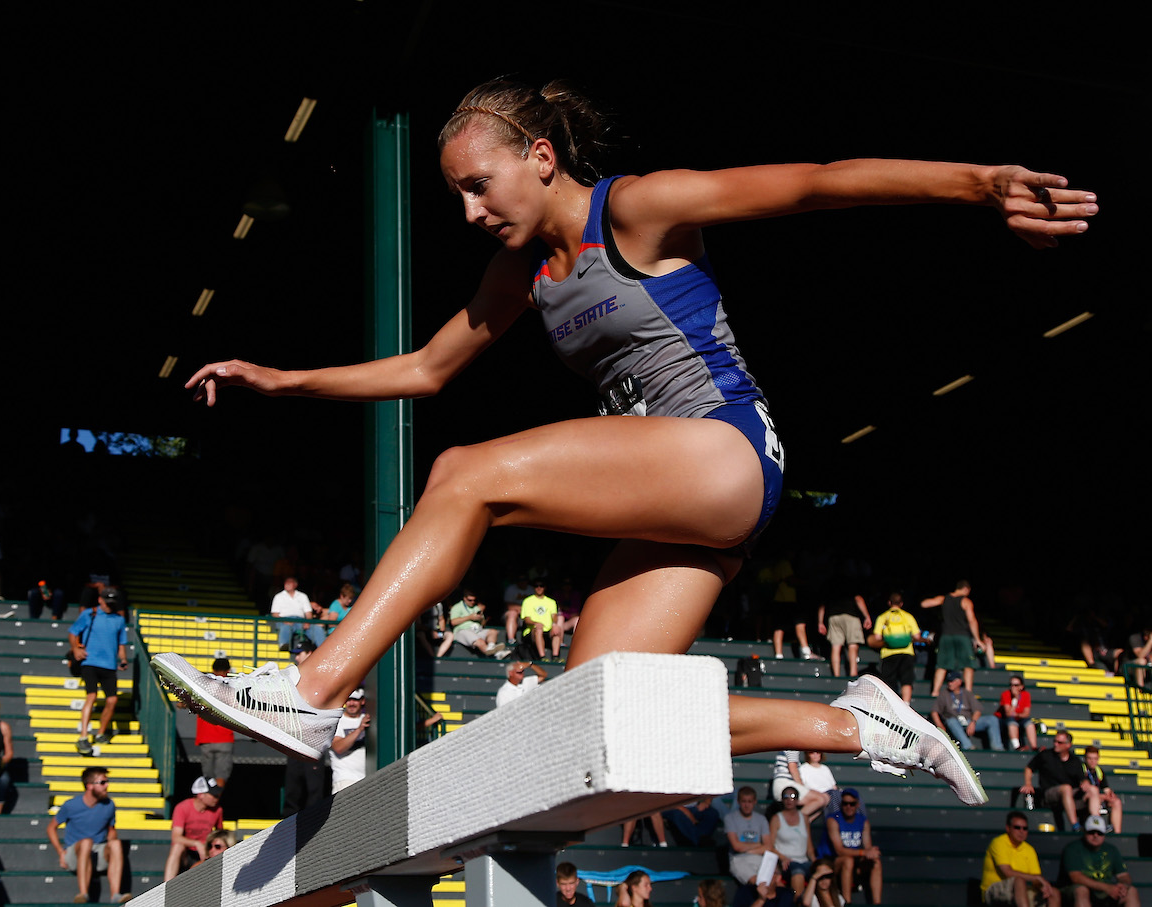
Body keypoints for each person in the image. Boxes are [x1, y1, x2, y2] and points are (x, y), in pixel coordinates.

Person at [154, 77, 1096, 809]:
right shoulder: (520, 269)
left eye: (480, 186)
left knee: (463, 474)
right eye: (458, 197)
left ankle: (315, 693)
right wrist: (282, 379)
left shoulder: (638, 208)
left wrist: (983, 183)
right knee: (592, 714)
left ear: (541, 155)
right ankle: (859, 723)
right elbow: (427, 368)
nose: (471, 213)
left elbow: (815, 185)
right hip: (678, 494)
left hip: (724, 447)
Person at [47, 766, 131, 904]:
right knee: (86, 842)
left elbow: (111, 830)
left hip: (98, 851)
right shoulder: (71, 805)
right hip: (76, 853)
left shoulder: (109, 805)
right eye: (103, 782)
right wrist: (60, 852)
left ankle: (115, 895)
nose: (107, 786)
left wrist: (112, 842)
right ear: (90, 786)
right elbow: (51, 828)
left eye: (107, 781)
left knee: (116, 844)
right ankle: (83, 894)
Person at [69, 586, 130, 757]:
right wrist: (76, 649)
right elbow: (73, 632)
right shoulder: (90, 614)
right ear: (100, 600)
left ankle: (101, 733)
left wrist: (123, 658)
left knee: (112, 699)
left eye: (113, 601)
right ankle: (83, 736)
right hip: (90, 661)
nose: (109, 605)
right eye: (107, 601)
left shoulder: (118, 619)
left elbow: (121, 642)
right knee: (92, 695)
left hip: (109, 665)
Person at [1021, 731, 1101, 832]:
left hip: (1070, 797)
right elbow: (1029, 768)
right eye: (1055, 741)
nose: (1055, 744)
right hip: (1049, 794)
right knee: (1066, 788)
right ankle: (1075, 825)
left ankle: (1096, 823)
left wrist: (1085, 782)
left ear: (1068, 745)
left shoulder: (1075, 760)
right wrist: (1028, 784)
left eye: (1059, 742)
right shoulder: (1046, 755)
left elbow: (1082, 779)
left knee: (1093, 789)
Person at [282, 639, 327, 815]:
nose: (296, 658)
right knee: (293, 785)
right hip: (295, 736)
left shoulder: (321, 673)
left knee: (314, 787)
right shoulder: (293, 674)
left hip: (314, 736)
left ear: (309, 653)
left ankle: (314, 824)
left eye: (299, 654)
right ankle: (287, 826)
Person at [981, 810, 1061, 907]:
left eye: (1025, 828)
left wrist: (1042, 886)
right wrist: (1036, 878)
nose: (1021, 831)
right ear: (1008, 828)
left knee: (1054, 892)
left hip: (1021, 890)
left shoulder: (1029, 849)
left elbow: (1036, 878)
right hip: (994, 890)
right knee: (1019, 881)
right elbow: (1008, 872)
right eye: (1017, 827)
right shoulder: (999, 843)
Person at [1057, 816, 1140, 906]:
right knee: (1081, 890)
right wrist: (1107, 888)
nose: (1095, 835)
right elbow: (1076, 877)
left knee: (1131, 891)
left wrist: (1123, 886)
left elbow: (1124, 875)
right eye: (1091, 832)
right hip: (1078, 890)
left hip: (1106, 891)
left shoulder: (1111, 850)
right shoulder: (1072, 849)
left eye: (1099, 833)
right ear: (1085, 831)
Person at [818, 788, 881, 905]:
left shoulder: (863, 821)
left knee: (875, 861)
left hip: (854, 861)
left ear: (857, 804)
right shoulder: (833, 820)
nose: (848, 807)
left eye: (851, 804)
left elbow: (867, 847)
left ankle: (877, 903)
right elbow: (839, 850)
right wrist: (863, 853)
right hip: (831, 861)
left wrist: (871, 852)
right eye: (845, 803)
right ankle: (848, 902)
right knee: (848, 860)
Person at [922, 581, 981, 696]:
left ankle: (935, 692)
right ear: (966, 589)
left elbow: (925, 604)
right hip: (962, 636)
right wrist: (977, 639)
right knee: (968, 664)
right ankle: (968, 692)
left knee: (942, 665)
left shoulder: (944, 599)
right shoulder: (966, 601)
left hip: (946, 636)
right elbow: (972, 620)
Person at [164, 776, 224, 881]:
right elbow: (176, 838)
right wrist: (196, 843)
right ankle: (166, 887)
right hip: (186, 854)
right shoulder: (182, 808)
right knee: (177, 846)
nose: (217, 797)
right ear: (201, 795)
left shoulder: (217, 810)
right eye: (213, 795)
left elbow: (220, 835)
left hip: (205, 854)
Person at [869, 592, 921, 703]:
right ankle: (906, 704)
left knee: (889, 680)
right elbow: (917, 635)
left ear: (889, 603)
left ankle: (891, 703)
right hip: (906, 652)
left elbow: (877, 637)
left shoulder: (883, 617)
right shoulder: (908, 616)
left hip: (888, 653)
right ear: (901, 603)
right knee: (906, 679)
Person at [767, 786, 816, 901]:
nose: (789, 800)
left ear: (798, 800)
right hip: (786, 862)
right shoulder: (776, 819)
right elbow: (770, 846)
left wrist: (815, 862)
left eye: (792, 797)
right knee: (798, 872)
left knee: (823, 870)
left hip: (804, 861)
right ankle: (797, 903)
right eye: (786, 797)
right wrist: (783, 858)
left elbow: (809, 846)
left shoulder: (804, 818)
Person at [933, 673, 1003, 750]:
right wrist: (940, 725)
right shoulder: (944, 694)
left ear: (959, 682)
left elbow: (977, 710)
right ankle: (968, 746)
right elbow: (934, 711)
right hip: (954, 721)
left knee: (992, 719)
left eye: (952, 681)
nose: (950, 684)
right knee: (951, 721)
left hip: (968, 720)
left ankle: (997, 747)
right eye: (948, 681)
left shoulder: (967, 693)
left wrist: (973, 722)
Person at [195, 658, 235, 788]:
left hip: (206, 738)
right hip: (224, 739)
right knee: (221, 778)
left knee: (207, 780)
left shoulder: (203, 686)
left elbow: (186, 702)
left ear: (213, 670)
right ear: (228, 671)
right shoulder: (231, 687)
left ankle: (208, 804)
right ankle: (215, 805)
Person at [816, 585, 872, 678]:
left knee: (836, 646)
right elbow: (858, 599)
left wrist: (820, 622)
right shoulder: (850, 583)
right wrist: (867, 616)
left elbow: (823, 604)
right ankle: (853, 674)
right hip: (851, 616)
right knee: (853, 645)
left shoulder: (829, 585)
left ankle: (836, 675)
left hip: (834, 616)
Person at [724, 787, 775, 889]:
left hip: (759, 859)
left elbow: (768, 846)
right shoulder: (730, 818)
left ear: (755, 802)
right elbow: (736, 846)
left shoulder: (761, 819)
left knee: (776, 882)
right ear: (738, 802)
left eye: (750, 802)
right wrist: (758, 845)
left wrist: (747, 850)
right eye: (744, 801)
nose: (747, 805)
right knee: (759, 883)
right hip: (738, 859)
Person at [329, 687, 369, 793]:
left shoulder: (368, 719)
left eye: (355, 700)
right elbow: (338, 747)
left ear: (362, 701)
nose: (351, 703)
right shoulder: (337, 721)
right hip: (345, 781)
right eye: (348, 700)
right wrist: (359, 729)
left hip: (369, 780)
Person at [449, 589, 508, 658]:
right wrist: (469, 617)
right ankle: (497, 654)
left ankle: (491, 647)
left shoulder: (476, 608)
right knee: (480, 641)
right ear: (464, 598)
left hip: (477, 630)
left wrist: (481, 617)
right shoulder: (457, 607)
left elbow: (483, 624)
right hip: (463, 631)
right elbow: (453, 622)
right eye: (470, 600)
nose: (472, 602)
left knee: (493, 632)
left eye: (474, 600)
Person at [772, 750, 830, 820]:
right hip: (785, 785)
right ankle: (794, 821)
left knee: (826, 798)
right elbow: (793, 769)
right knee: (820, 799)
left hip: (788, 784)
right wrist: (802, 787)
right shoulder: (792, 748)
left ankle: (805, 822)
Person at [1080, 747, 1122, 835]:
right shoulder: (1081, 770)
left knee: (1116, 802)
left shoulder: (1099, 771)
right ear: (1085, 758)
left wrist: (1110, 795)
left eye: (1095, 759)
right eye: (1090, 758)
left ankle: (1117, 833)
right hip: (1084, 797)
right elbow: (1083, 789)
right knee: (1094, 794)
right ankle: (1098, 824)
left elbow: (1106, 789)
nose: (1092, 761)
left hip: (1098, 797)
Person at [270, 576, 313, 651]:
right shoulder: (278, 596)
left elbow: (308, 613)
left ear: (295, 585)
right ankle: (284, 645)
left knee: (315, 628)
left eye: (289, 583)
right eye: (286, 583)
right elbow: (275, 614)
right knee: (286, 627)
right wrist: (285, 621)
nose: (287, 584)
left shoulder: (303, 596)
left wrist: (307, 622)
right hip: (284, 620)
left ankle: (323, 647)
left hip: (300, 621)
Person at [520, 578, 558, 660]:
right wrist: (536, 623)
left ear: (545, 587)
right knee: (539, 629)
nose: (539, 588)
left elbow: (554, 616)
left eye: (541, 586)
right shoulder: (528, 601)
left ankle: (556, 657)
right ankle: (543, 657)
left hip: (547, 631)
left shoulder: (551, 602)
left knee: (557, 631)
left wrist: (554, 625)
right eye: (536, 586)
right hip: (532, 631)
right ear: (533, 587)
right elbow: (526, 619)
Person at [1000, 675, 1038, 751]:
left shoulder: (1026, 695)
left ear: (1021, 686)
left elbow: (1026, 713)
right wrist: (1015, 700)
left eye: (1016, 685)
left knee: (1029, 723)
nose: (1013, 687)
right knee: (1012, 722)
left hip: (1019, 718)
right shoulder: (1005, 694)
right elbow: (1008, 713)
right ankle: (1016, 746)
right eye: (1011, 685)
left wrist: (1017, 714)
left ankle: (1034, 747)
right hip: (1005, 720)